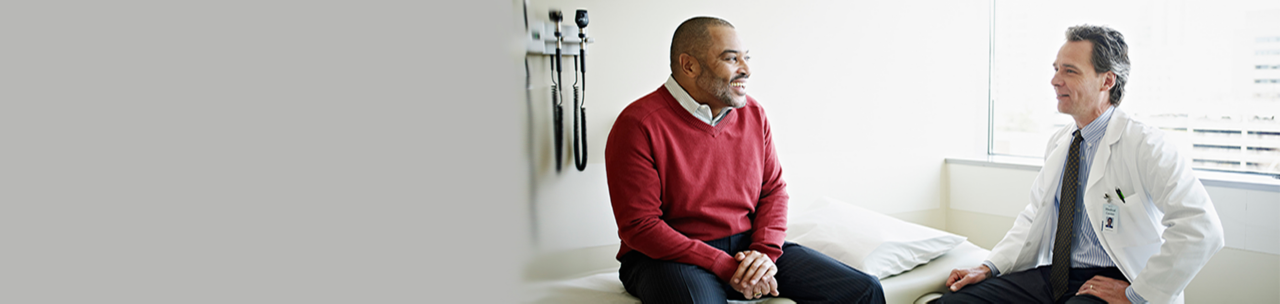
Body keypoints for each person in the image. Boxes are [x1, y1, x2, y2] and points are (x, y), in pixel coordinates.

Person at [934, 25, 1224, 304]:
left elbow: (1201, 226)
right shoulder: (1062, 143)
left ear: (1107, 81)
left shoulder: (1146, 144)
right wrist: (988, 268)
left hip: (1116, 276)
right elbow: (1035, 216)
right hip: (1056, 276)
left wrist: (1136, 294)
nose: (1055, 80)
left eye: (1069, 71)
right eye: (1056, 69)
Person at [604, 16, 884, 304]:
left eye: (746, 58)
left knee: (865, 291)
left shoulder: (754, 114)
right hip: (667, 257)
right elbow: (640, 225)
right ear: (689, 65)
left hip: (747, 248)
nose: (746, 70)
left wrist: (764, 253)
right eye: (731, 59)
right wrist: (721, 264)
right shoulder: (638, 124)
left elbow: (773, 190)